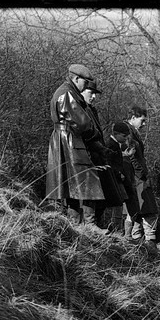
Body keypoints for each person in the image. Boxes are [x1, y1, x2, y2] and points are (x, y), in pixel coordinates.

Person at [43, 63, 106, 224]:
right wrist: (95, 133)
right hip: (70, 140)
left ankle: (76, 224)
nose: (86, 86)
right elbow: (82, 123)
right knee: (87, 181)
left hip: (63, 139)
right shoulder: (68, 94)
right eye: (85, 82)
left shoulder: (64, 92)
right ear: (76, 79)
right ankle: (89, 226)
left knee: (71, 185)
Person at [80, 79, 127, 229]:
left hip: (98, 155)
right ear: (81, 91)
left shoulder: (91, 109)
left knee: (104, 194)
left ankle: (96, 224)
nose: (93, 97)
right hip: (87, 155)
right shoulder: (79, 109)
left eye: (95, 94)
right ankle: (90, 224)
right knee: (90, 192)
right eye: (90, 93)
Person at [124, 105, 159, 252]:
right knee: (148, 209)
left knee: (137, 209)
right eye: (142, 120)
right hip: (136, 177)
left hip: (136, 177)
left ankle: (134, 239)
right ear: (133, 118)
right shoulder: (128, 132)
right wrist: (141, 174)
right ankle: (145, 241)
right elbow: (131, 156)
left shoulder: (132, 132)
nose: (144, 124)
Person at [104, 122, 140, 237]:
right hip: (114, 179)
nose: (125, 139)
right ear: (116, 134)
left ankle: (117, 229)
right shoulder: (110, 144)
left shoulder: (116, 144)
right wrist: (118, 173)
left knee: (122, 202)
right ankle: (115, 229)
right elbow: (108, 162)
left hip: (118, 178)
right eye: (124, 136)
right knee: (118, 202)